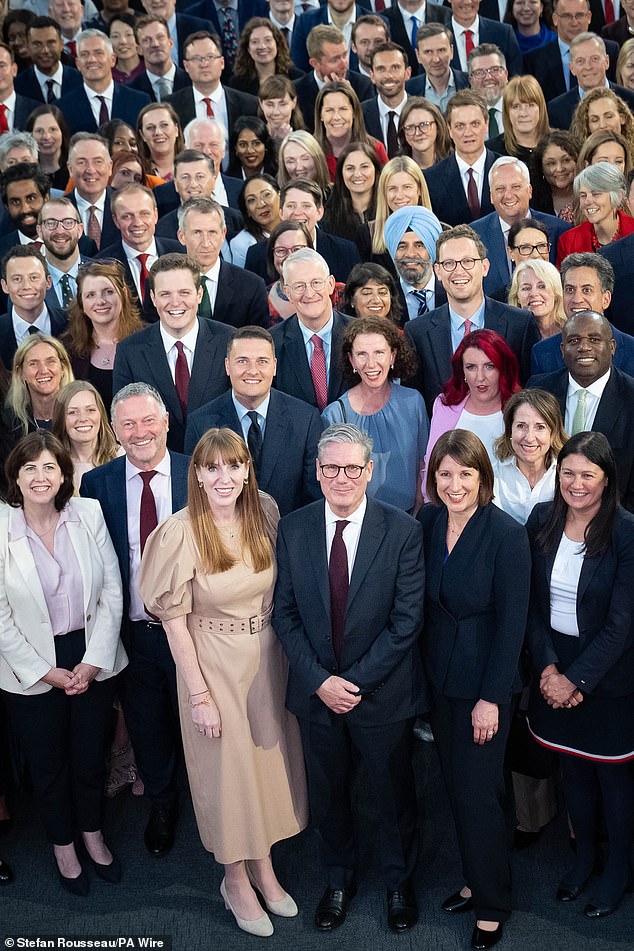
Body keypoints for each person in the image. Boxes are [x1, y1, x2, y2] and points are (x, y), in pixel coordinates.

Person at [139, 426, 307, 937]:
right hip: (212, 663)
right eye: (212, 467)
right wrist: (198, 695)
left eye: (234, 466)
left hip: (266, 659)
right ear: (196, 473)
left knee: (263, 769)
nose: (224, 477)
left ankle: (264, 867)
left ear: (247, 469)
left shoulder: (268, 512)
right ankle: (234, 879)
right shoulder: (180, 531)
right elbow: (172, 622)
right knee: (227, 776)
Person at [273, 423, 426, 934]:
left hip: (381, 695)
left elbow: (406, 623)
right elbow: (285, 614)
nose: (342, 477)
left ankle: (399, 881)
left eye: (352, 468)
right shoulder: (293, 528)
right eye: (331, 468)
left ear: (370, 471)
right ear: (317, 472)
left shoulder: (403, 530)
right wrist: (321, 682)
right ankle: (338, 880)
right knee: (330, 794)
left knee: (391, 792)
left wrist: (352, 684)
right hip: (316, 694)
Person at [418, 428, 531, 951]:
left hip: (485, 688)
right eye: (445, 473)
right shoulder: (428, 520)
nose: (454, 483)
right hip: (441, 681)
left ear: (483, 477)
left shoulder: (505, 535)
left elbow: (512, 626)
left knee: (478, 793)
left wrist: (491, 698)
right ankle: (478, 877)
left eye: (465, 473)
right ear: (433, 477)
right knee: (462, 788)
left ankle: (491, 904)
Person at [0, 430, 127, 894]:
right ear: (15, 476)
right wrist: (42, 671)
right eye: (29, 467)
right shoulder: (1, 527)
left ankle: (92, 833)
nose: (40, 476)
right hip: (30, 667)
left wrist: (94, 661)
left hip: (91, 654)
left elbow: (113, 590)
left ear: (63, 474)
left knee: (90, 756)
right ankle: (63, 844)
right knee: (49, 764)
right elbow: (0, 618)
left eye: (50, 467)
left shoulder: (87, 513)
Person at [526, 431, 634, 918]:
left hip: (607, 678)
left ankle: (617, 872)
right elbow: (531, 605)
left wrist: (576, 680)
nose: (575, 483)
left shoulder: (627, 531)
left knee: (614, 782)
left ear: (606, 479)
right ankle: (585, 856)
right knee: (572, 772)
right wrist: (549, 668)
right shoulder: (541, 520)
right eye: (567, 472)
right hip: (554, 667)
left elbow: (622, 624)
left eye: (587, 474)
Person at [80, 382, 188, 857]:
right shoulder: (97, 484)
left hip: (195, 630)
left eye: (148, 421)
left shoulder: (196, 472)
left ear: (166, 421)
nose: (139, 432)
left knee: (205, 722)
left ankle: (214, 808)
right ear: (115, 430)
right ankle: (163, 805)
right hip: (135, 631)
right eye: (128, 424)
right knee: (147, 727)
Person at [184, 325, 322, 515]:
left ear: (274, 366)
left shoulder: (305, 420)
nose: (252, 370)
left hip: (285, 537)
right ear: (227, 366)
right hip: (222, 538)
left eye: (262, 362)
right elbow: (196, 496)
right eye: (242, 361)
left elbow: (313, 498)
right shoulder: (200, 423)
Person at [405, 224, 540, 412]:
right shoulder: (417, 331)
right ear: (438, 272)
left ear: (484, 267)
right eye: (449, 263)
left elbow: (531, 394)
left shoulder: (520, 324)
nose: (459, 271)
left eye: (467, 261)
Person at [112, 252, 232, 453]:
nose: (175, 302)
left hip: (219, 464)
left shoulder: (228, 341)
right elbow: (123, 416)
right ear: (153, 297)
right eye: (165, 294)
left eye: (184, 293)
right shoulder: (129, 351)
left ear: (199, 294)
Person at [528, 309, 634, 512]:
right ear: (562, 349)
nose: (584, 347)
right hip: (546, 516)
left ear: (612, 347)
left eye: (594, 340)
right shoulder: (539, 389)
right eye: (574, 341)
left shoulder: (631, 398)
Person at [322, 316, 428, 512]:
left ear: (393, 356)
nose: (371, 364)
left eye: (379, 352)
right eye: (362, 354)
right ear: (351, 360)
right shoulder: (335, 415)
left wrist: (418, 513)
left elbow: (424, 465)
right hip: (360, 520)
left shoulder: (413, 402)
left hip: (411, 518)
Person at [422, 329, 520, 499]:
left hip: (506, 515)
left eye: (490, 366)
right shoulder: (445, 405)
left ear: (502, 369)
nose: (480, 377)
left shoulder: (520, 410)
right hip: (449, 508)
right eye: (471, 367)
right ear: (462, 372)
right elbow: (431, 464)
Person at [471, 156, 570, 296]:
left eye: (516, 187)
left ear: (529, 191)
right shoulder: (474, 236)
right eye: (500, 189)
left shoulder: (561, 231)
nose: (508, 195)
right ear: (491, 196)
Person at [270, 247, 353, 410]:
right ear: (287, 292)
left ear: (330, 284)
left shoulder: (360, 334)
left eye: (316, 283)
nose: (309, 293)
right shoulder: (272, 343)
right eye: (299, 286)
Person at [62, 260, 143, 414]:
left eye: (109, 292)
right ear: (81, 302)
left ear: (124, 293)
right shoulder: (67, 349)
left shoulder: (148, 340)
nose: (100, 301)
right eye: (90, 295)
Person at [176, 197, 270, 330]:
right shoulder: (163, 284)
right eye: (197, 233)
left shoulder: (252, 287)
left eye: (212, 233)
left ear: (223, 234)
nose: (206, 243)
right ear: (182, 236)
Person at [423, 89, 500, 227]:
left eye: (475, 124)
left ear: (487, 124)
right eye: (460, 126)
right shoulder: (431, 180)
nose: (468, 132)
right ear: (449, 129)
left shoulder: (507, 170)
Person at [55, 30, 150, 136]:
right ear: (78, 64)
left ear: (113, 60)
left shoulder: (139, 101)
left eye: (98, 53)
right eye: (84, 54)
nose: (92, 59)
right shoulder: (62, 108)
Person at [493, 387, 567, 524]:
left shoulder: (567, 475)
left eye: (540, 427)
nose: (529, 438)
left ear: (553, 432)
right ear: (509, 431)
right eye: (521, 426)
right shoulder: (492, 475)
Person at [165, 30, 259, 133]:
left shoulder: (249, 104)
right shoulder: (171, 106)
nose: (204, 64)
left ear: (222, 63)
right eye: (196, 58)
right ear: (186, 66)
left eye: (210, 57)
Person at [292, 24, 373, 131]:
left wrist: (350, 98)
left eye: (344, 55)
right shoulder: (296, 90)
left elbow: (366, 132)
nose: (344, 64)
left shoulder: (362, 85)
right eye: (335, 60)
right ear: (315, 63)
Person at [547, 32, 634, 131]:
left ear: (607, 62)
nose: (588, 67)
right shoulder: (557, 110)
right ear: (572, 68)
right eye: (580, 61)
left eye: (594, 59)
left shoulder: (631, 100)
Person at [0, 246, 68, 370]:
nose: (26, 286)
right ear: (5, 286)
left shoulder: (71, 324)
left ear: (48, 282)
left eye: (34, 277)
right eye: (17, 279)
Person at [556, 163, 634, 265]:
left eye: (596, 194)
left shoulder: (632, 230)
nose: (587, 201)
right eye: (583, 195)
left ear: (618, 196)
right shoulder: (569, 241)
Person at [51, 379, 119, 492]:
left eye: (90, 410)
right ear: (61, 419)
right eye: (72, 412)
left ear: (100, 414)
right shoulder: (51, 464)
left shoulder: (123, 457)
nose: (83, 418)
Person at [314, 80, 388, 183]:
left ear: (354, 112)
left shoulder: (375, 148)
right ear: (320, 115)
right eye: (329, 110)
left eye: (343, 109)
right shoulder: (311, 152)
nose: (336, 117)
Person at [383, 203, 446, 322]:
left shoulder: (452, 293)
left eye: (419, 245)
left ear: (432, 249)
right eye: (402, 246)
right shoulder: (384, 300)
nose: (410, 254)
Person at [365, 154, 432, 264]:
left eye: (407, 187)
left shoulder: (441, 232)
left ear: (419, 189)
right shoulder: (367, 234)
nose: (399, 195)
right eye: (392, 189)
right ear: (384, 193)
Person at [4, 332, 73, 437]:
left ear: (63, 367)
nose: (43, 370)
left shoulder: (80, 416)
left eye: (51, 361)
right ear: (20, 372)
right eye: (33, 363)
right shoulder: (9, 423)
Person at [13, 15, 83, 103]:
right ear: (27, 46)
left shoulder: (81, 81)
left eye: (51, 43)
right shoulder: (17, 87)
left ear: (61, 44)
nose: (45, 50)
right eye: (37, 44)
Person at [228, 17, 302, 97]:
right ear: (248, 48)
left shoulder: (296, 78)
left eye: (268, 40)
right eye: (255, 42)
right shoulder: (237, 84)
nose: (262, 46)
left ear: (277, 44)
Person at [362, 42, 412, 160]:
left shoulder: (426, 112)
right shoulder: (359, 114)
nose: (388, 75)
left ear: (407, 73)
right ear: (372, 76)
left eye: (395, 68)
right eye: (381, 69)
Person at [322, 142, 381, 240]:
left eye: (364, 167)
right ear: (341, 173)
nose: (357, 174)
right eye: (350, 168)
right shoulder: (328, 217)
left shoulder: (389, 211)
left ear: (376, 170)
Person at [486, 75, 550, 164]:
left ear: (541, 108)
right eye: (516, 107)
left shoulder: (560, 144)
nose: (523, 113)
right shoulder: (491, 152)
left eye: (530, 105)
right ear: (507, 112)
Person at [406, 23, 469, 112]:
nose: (436, 59)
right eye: (428, 52)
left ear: (451, 51)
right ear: (418, 55)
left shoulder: (470, 83)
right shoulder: (408, 90)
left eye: (441, 50)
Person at [230, 173, 281, 269]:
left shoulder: (297, 224)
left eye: (266, 195)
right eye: (252, 200)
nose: (261, 204)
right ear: (247, 211)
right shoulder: (242, 243)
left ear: (279, 195)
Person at [508, 258, 567, 339]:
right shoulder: (509, 337)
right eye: (526, 288)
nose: (533, 294)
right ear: (517, 297)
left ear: (556, 292)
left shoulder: (572, 331)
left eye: (542, 286)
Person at [569, 87, 634, 156]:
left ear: (622, 118)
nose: (602, 125)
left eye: (609, 117)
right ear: (587, 126)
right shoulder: (576, 158)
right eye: (595, 120)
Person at [530, 130, 579, 221]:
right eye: (551, 163)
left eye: (566, 160)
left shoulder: (590, 195)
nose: (559, 169)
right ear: (541, 167)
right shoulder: (532, 200)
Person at [397, 97, 452, 171]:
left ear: (438, 126)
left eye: (424, 125)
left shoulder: (453, 165)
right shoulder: (398, 170)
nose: (417, 133)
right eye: (410, 127)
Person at [24, 104, 69, 191]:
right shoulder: (26, 172)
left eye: (53, 129)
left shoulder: (75, 168)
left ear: (62, 132)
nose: (46, 136)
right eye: (39, 131)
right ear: (30, 135)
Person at [136, 102, 183, 182]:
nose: (158, 132)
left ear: (176, 130)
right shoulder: (137, 172)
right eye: (150, 127)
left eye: (164, 125)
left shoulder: (193, 165)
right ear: (142, 135)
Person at [277, 129, 330, 196]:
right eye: (291, 161)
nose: (299, 167)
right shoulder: (277, 200)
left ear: (317, 159)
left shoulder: (337, 195)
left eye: (305, 158)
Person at [258, 73, 304, 149]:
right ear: (261, 104)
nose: (276, 112)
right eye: (270, 105)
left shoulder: (306, 139)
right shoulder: (253, 139)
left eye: (283, 104)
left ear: (294, 102)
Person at [226, 115, 277, 181]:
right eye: (243, 145)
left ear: (266, 145)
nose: (250, 150)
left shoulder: (278, 176)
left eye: (256, 143)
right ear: (235, 148)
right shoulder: (227, 181)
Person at [108, 12, 144, 84]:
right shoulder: (107, 75)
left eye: (128, 35)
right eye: (115, 36)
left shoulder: (150, 69)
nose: (123, 41)